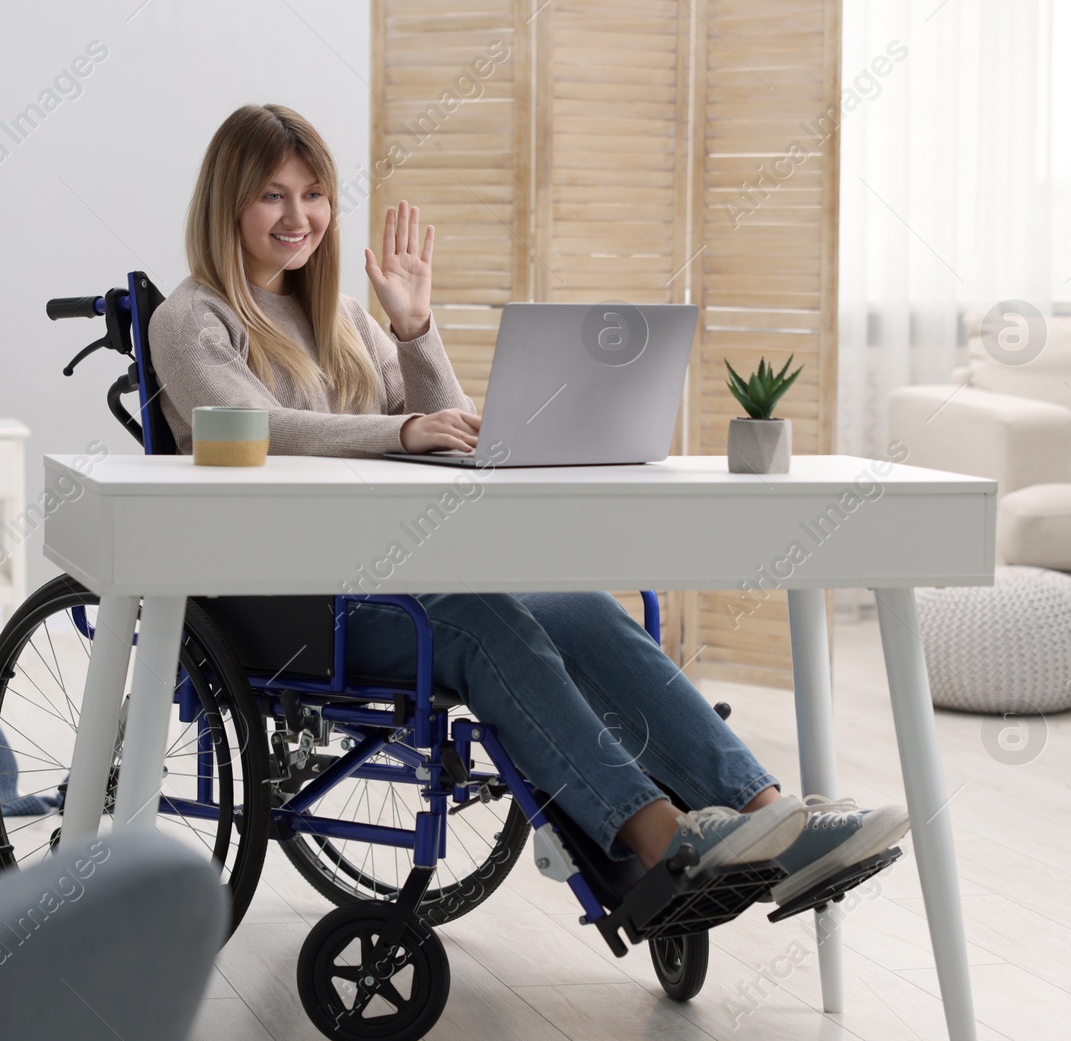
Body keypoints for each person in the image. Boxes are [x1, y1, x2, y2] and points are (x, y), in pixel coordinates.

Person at [147, 103, 909, 905]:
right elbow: (249, 430)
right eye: (273, 195)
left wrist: (412, 329)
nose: (299, 216)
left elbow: (447, 434)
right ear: (227, 201)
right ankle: (664, 843)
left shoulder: (337, 317)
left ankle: (770, 818)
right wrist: (399, 428)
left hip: (392, 577)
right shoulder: (192, 318)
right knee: (483, 620)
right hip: (290, 602)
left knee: (579, 607)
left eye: (314, 194)